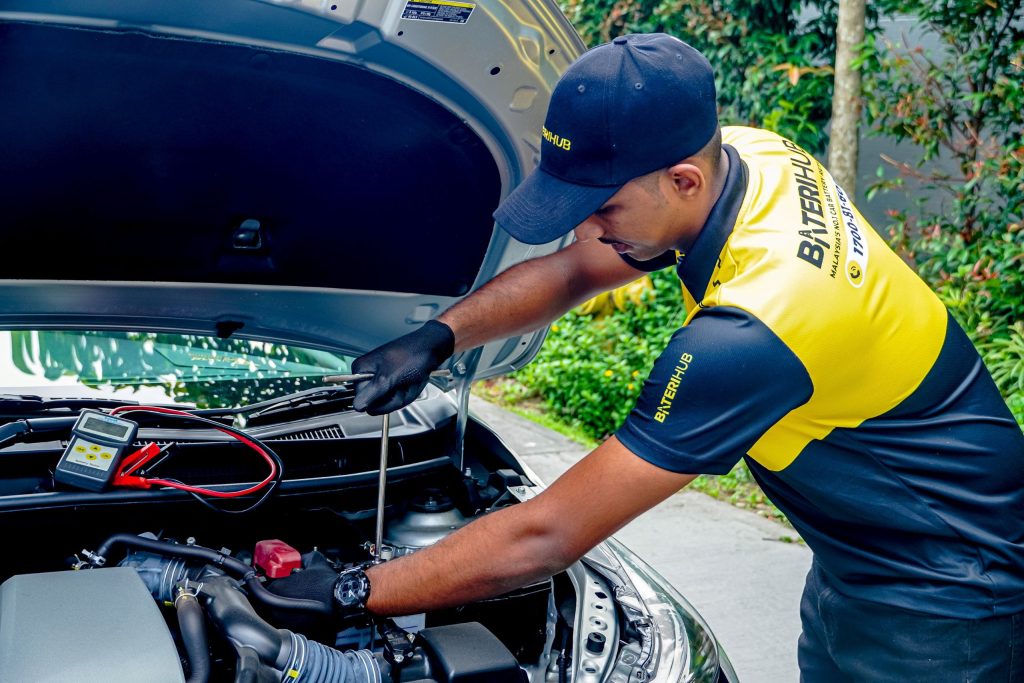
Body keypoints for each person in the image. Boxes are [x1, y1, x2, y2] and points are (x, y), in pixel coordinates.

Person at [342, 33, 1024, 680]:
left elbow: (543, 538)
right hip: (861, 555)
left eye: (602, 206)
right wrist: (439, 336)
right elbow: (581, 268)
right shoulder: (754, 155)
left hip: (945, 588)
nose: (585, 226)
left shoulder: (757, 327)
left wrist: (354, 589)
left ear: (684, 181)